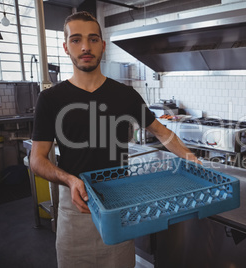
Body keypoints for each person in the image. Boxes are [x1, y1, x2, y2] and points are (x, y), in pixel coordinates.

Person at [30, 11, 201, 268]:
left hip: (119, 204)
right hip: (77, 205)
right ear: (66, 47)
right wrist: (68, 178)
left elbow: (162, 132)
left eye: (93, 39)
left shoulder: (126, 95)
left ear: (102, 45)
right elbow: (37, 159)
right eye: (76, 40)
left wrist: (192, 159)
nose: (86, 46)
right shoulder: (51, 99)